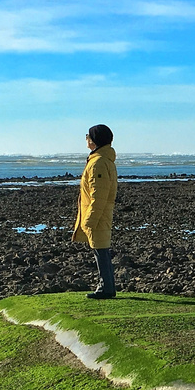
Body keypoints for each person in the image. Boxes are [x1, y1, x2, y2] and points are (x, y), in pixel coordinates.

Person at [73, 124, 118, 299]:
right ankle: (106, 286)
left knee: (101, 250)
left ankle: (105, 288)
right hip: (101, 213)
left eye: (87, 136)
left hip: (98, 214)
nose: (86, 139)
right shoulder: (102, 160)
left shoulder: (98, 163)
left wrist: (90, 219)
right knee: (101, 250)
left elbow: (98, 194)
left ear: (94, 140)